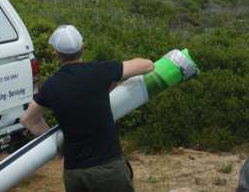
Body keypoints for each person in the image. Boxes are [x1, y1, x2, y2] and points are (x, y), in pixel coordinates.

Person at [21, 24, 154, 192]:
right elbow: (147, 65)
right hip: (109, 168)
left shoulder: (51, 85)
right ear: (83, 47)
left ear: (56, 53)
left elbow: (28, 120)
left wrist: (59, 144)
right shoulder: (100, 70)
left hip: (75, 173)